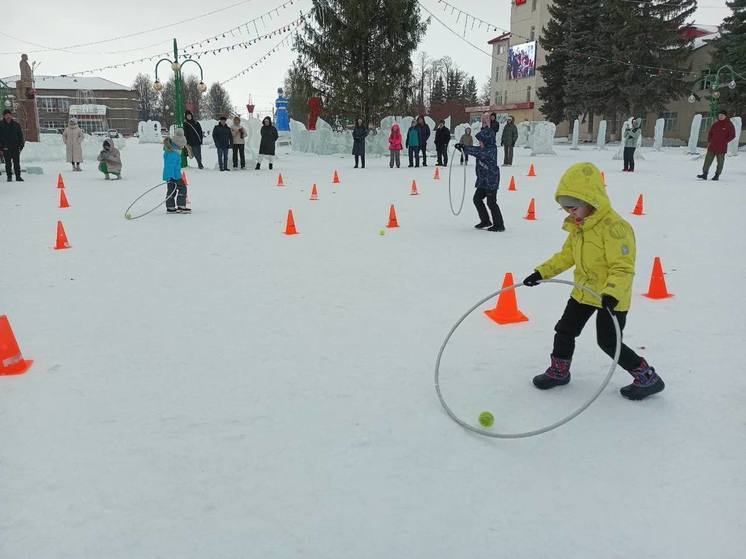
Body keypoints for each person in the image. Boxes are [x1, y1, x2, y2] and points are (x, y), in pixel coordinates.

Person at [522, 162, 664, 400]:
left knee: (608, 342)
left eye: (573, 208)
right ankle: (559, 371)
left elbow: (623, 267)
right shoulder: (580, 227)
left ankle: (647, 376)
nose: (570, 214)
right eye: (565, 210)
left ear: (590, 201)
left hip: (611, 297)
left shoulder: (615, 228)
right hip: (583, 291)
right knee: (565, 330)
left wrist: (611, 293)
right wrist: (541, 273)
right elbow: (567, 255)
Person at [454, 112, 505, 232]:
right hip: (483, 180)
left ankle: (499, 225)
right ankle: (485, 220)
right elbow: (477, 150)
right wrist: (462, 146)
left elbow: (479, 153)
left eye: (481, 140)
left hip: (491, 180)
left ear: (486, 140)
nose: (480, 142)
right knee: (477, 199)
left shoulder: (491, 149)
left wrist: (465, 148)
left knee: (491, 202)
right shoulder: (484, 147)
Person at [698, 109, 736, 181]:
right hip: (712, 146)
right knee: (707, 160)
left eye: (722, 115)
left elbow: (732, 135)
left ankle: (717, 175)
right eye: (719, 115)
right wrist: (710, 141)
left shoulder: (729, 124)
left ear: (725, 116)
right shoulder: (716, 124)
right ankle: (705, 174)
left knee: (720, 162)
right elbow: (710, 133)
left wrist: (725, 141)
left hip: (721, 147)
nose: (720, 116)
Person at [163, 137, 190, 213]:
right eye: (182, 145)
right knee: (182, 188)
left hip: (170, 175)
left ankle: (170, 207)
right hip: (174, 175)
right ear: (178, 144)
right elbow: (170, 166)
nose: (183, 147)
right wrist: (173, 177)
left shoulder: (170, 151)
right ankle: (181, 206)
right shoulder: (173, 153)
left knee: (171, 190)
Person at [0, 108, 24, 182]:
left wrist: (21, 146)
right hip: (5, 147)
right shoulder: (1, 125)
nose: (8, 116)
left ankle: (18, 176)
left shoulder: (16, 125)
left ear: (11, 115)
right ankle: (9, 176)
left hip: (15, 147)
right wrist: (1, 148)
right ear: (4, 116)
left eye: (9, 115)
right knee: (8, 163)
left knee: (16, 162)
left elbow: (20, 136)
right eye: (6, 115)